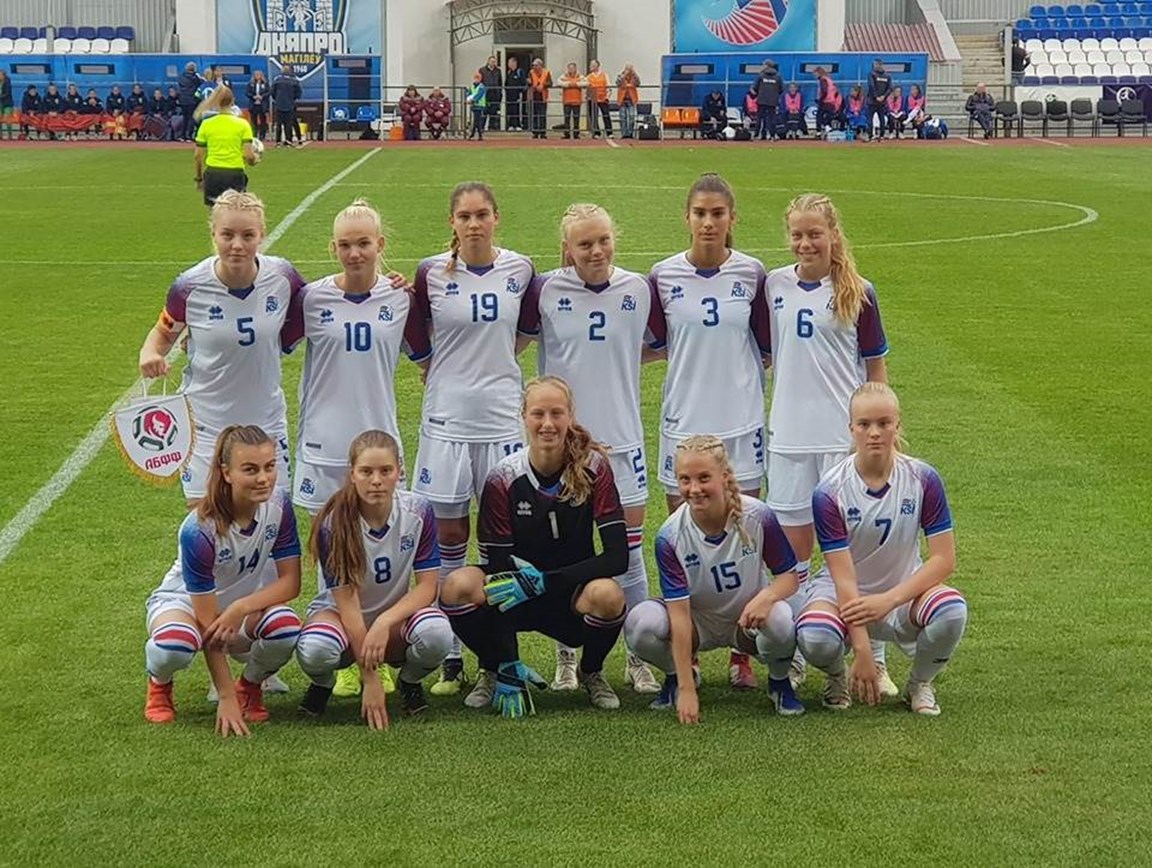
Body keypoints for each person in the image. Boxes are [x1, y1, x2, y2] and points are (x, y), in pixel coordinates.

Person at [518, 203, 661, 694]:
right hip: (565, 446)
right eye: (584, 244)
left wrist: (618, 362)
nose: (596, 251)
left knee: (632, 551)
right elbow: (513, 341)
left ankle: (638, 657)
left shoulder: (638, 289)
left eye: (603, 240)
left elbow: (661, 343)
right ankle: (567, 654)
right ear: (567, 249)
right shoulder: (544, 290)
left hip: (622, 441)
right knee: (565, 550)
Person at [439, 376, 629, 718]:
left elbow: (618, 557)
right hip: (515, 591)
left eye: (557, 413)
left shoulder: (594, 468)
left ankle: (591, 672)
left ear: (570, 416)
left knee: (608, 595)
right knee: (457, 586)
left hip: (569, 593)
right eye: (538, 414)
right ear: (523, 417)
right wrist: (508, 659)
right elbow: (499, 567)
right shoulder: (502, 477)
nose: (547, 423)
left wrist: (546, 580)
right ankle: (494, 669)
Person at [409, 182, 535, 696]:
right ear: (452, 223)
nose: (474, 223)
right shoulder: (429, 273)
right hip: (446, 420)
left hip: (502, 421)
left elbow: (525, 332)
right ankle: (452, 654)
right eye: (465, 216)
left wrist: (493, 363)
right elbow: (415, 335)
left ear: (496, 218)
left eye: (482, 214)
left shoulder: (521, 270)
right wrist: (439, 368)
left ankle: (496, 658)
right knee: (448, 536)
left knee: (500, 541)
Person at [764, 192, 893, 694]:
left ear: (833, 235)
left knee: (856, 553)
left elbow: (875, 368)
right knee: (794, 556)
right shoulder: (774, 285)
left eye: (815, 233)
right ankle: (799, 652)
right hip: (789, 438)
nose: (805, 243)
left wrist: (879, 432)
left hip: (843, 442)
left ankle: (875, 656)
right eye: (797, 234)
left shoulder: (859, 291)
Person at [648, 173, 771, 690]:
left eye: (718, 213)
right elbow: (649, 343)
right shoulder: (662, 276)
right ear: (687, 217)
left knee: (747, 538)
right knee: (685, 539)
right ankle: (689, 650)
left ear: (732, 218)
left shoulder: (753, 274)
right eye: (700, 213)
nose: (708, 222)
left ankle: (744, 651)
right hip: (683, 423)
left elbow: (768, 347)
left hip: (740, 423)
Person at [797, 383, 968, 715]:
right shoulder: (829, 491)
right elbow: (844, 578)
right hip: (842, 594)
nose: (874, 433)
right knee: (815, 636)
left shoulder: (923, 478)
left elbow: (944, 559)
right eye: (864, 424)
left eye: (883, 423)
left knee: (951, 609)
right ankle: (837, 677)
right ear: (851, 428)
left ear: (897, 425)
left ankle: (920, 683)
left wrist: (889, 600)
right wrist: (863, 652)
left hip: (901, 593)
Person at [137, 190, 306, 504]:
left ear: (262, 235)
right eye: (227, 235)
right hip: (205, 423)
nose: (237, 245)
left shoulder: (283, 276)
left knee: (271, 517)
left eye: (248, 235)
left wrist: (387, 287)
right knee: (204, 518)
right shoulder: (189, 286)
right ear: (214, 233)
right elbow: (163, 332)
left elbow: (321, 304)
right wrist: (149, 353)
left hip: (265, 420)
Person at [625, 436, 804, 723]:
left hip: (746, 622)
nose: (694, 489)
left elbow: (789, 578)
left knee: (781, 618)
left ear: (724, 477)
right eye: (685, 479)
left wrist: (766, 597)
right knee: (640, 624)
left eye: (704, 478)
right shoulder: (670, 536)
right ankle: (677, 677)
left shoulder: (758, 516)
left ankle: (779, 682)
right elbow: (679, 615)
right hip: (698, 624)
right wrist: (686, 688)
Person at [143, 425, 302, 734]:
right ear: (226, 472)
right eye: (250, 469)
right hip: (185, 606)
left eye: (269, 467)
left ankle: (250, 687)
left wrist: (240, 608)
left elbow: (291, 583)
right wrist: (224, 695)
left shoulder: (280, 505)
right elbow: (207, 621)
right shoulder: (199, 529)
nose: (263, 478)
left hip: (235, 611)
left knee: (285, 628)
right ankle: (159, 683)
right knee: (174, 645)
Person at [296, 431, 453, 726]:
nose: (376, 480)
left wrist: (383, 622)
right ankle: (322, 685)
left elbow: (427, 587)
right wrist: (370, 678)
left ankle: (409, 683)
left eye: (385, 471)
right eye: (366, 471)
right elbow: (347, 604)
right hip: (342, 619)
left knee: (437, 633)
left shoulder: (419, 511)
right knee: (316, 649)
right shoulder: (333, 523)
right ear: (352, 474)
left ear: (399, 472)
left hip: (392, 623)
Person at [192, 86, 260, 207]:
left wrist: (199, 178)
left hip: (213, 173)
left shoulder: (207, 124)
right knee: (235, 212)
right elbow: (248, 156)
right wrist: (254, 160)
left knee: (215, 213)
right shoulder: (242, 124)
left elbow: (198, 156)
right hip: (234, 173)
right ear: (232, 101)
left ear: (216, 102)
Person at [271, 66, 303, 147]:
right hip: (290, 104)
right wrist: (292, 99)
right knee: (288, 124)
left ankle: (278, 141)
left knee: (279, 124)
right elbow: (298, 93)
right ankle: (289, 140)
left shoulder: (277, 80)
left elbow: (272, 92)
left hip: (279, 104)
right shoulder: (294, 81)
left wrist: (277, 99)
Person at [751, 59, 782, 141]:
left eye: (763, 65)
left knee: (760, 118)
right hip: (773, 101)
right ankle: (773, 135)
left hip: (762, 100)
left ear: (767, 65)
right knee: (772, 118)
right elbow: (781, 89)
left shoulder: (761, 75)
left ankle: (757, 135)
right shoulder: (778, 76)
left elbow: (755, 88)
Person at [586, 59, 613, 138]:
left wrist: (607, 96)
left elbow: (609, 86)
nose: (590, 66)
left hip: (603, 98)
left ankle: (609, 132)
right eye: (590, 65)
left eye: (592, 65)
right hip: (593, 99)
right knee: (593, 116)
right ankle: (596, 132)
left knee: (606, 115)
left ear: (597, 66)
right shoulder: (589, 76)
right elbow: (586, 86)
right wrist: (588, 97)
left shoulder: (604, 75)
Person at [867, 58, 891, 141]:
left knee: (874, 118)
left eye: (877, 64)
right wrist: (883, 96)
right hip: (880, 101)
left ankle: (873, 136)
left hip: (873, 101)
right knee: (880, 119)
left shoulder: (872, 74)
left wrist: (878, 96)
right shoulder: (887, 76)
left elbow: (871, 86)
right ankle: (880, 136)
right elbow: (889, 88)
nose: (876, 66)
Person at [177, 61, 202, 141]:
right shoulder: (195, 78)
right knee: (191, 118)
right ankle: (189, 135)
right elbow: (200, 83)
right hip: (191, 100)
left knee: (185, 118)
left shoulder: (181, 77)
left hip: (183, 100)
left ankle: (182, 135)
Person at [814, 66, 843, 135]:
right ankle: (827, 128)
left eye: (815, 74)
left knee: (819, 116)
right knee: (826, 116)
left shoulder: (823, 80)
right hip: (831, 101)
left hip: (826, 101)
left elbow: (824, 91)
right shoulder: (829, 80)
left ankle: (820, 131)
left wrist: (821, 100)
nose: (814, 76)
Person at [528, 58, 552, 139]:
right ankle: (535, 132)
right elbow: (529, 82)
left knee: (542, 115)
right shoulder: (531, 72)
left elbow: (550, 83)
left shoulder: (546, 72)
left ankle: (542, 132)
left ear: (540, 65)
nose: (534, 67)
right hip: (534, 96)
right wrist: (530, 83)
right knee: (534, 115)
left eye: (536, 65)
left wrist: (543, 85)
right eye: (533, 65)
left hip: (543, 96)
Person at [559, 62, 584, 139]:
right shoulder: (564, 76)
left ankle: (576, 134)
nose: (570, 70)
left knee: (576, 118)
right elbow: (559, 82)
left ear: (575, 68)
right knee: (567, 118)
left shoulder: (580, 76)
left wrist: (574, 84)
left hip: (577, 101)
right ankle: (566, 134)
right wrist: (570, 84)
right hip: (567, 101)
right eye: (569, 68)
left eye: (572, 68)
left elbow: (586, 83)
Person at [616, 63, 640, 139]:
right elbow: (617, 82)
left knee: (632, 117)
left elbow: (638, 83)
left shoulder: (634, 76)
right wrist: (624, 75)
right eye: (627, 69)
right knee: (623, 117)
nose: (629, 71)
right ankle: (624, 134)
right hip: (622, 99)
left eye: (630, 69)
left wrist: (634, 73)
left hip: (631, 99)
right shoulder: (620, 75)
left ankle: (630, 133)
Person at [480, 55, 502, 131]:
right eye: (491, 61)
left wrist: (499, 94)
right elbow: (480, 82)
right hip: (485, 94)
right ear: (488, 61)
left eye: (494, 61)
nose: (493, 63)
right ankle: (481, 128)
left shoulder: (498, 71)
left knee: (493, 112)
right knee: (484, 112)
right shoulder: (482, 70)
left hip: (495, 94)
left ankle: (491, 128)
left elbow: (500, 83)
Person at [246, 69, 269, 141]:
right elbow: (247, 92)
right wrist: (253, 96)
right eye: (256, 75)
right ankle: (254, 135)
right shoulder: (251, 84)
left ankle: (262, 135)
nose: (257, 76)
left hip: (262, 105)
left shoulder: (265, 83)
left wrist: (262, 96)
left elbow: (268, 92)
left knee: (263, 121)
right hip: (253, 105)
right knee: (253, 121)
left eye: (259, 75)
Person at [505, 56, 526, 131]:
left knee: (517, 109)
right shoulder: (509, 72)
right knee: (511, 110)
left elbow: (523, 83)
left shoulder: (520, 71)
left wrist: (520, 92)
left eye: (509, 62)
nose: (508, 64)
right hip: (509, 95)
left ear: (514, 63)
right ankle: (511, 124)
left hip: (517, 95)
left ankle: (518, 125)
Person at [465, 73, 487, 141]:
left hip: (480, 105)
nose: (476, 80)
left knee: (476, 120)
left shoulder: (482, 87)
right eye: (475, 78)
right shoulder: (472, 86)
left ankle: (473, 134)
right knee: (477, 120)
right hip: (474, 105)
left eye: (478, 78)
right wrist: (468, 99)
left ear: (480, 79)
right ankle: (479, 135)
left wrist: (473, 100)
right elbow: (468, 93)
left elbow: (479, 95)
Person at [0, 70, 13, 141]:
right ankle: (0, 135)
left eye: (0, 75)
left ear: (3, 75)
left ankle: (10, 135)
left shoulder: (8, 82)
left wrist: (0, 96)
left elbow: (7, 93)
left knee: (7, 119)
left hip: (7, 103)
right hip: (0, 103)